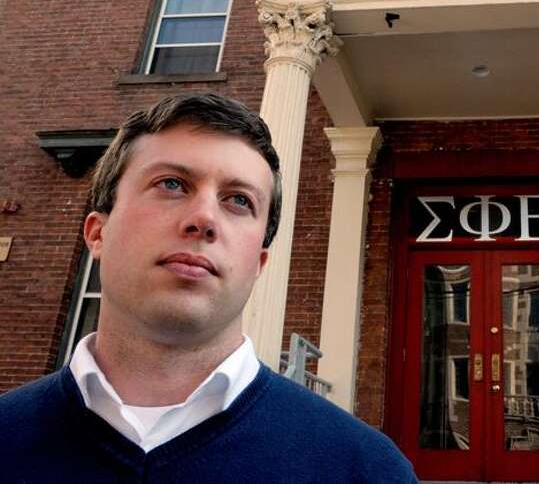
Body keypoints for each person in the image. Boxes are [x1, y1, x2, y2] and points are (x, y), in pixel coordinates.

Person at [0, 93, 417, 483]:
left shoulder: (366, 470)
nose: (204, 219)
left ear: (259, 263)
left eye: (239, 200)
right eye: (171, 184)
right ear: (97, 233)